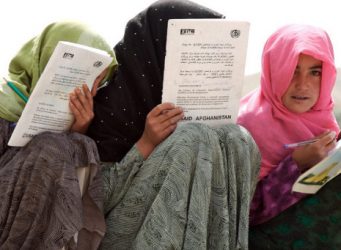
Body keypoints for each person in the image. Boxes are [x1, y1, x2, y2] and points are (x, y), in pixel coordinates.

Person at [85, 0, 260, 249]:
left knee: (238, 137)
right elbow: (95, 202)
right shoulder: (113, 105)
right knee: (191, 138)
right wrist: (145, 144)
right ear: (158, 47)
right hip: (124, 234)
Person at [0, 21, 117, 249]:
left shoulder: (86, 122)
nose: (88, 91)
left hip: (35, 224)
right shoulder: (3, 100)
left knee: (78, 145)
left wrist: (75, 131)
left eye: (97, 82)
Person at [237, 24, 341, 249]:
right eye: (292, 69)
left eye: (315, 72)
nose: (302, 84)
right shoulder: (245, 127)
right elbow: (242, 213)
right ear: (274, 69)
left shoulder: (324, 119)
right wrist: (295, 164)